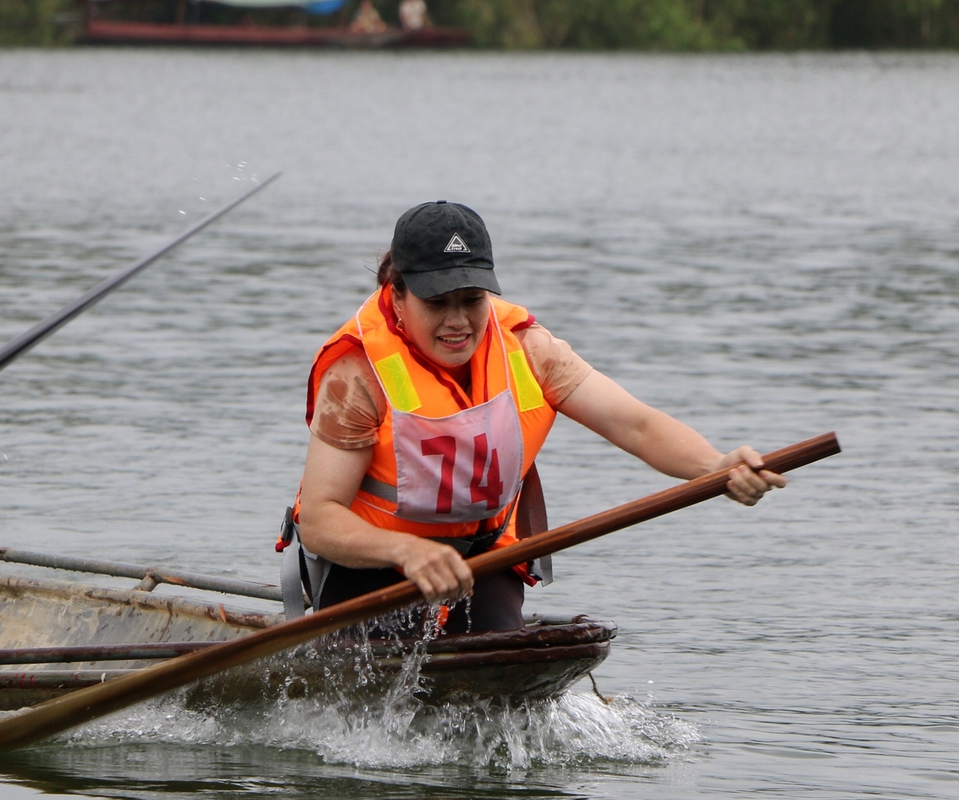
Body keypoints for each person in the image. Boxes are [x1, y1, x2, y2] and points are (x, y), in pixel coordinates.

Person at [284, 201, 784, 633]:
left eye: (472, 300)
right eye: (437, 303)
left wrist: (714, 466)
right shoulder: (356, 371)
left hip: (483, 555)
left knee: (494, 663)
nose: (457, 322)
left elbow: (635, 424)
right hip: (367, 562)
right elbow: (323, 520)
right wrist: (408, 553)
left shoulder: (528, 346)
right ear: (397, 295)